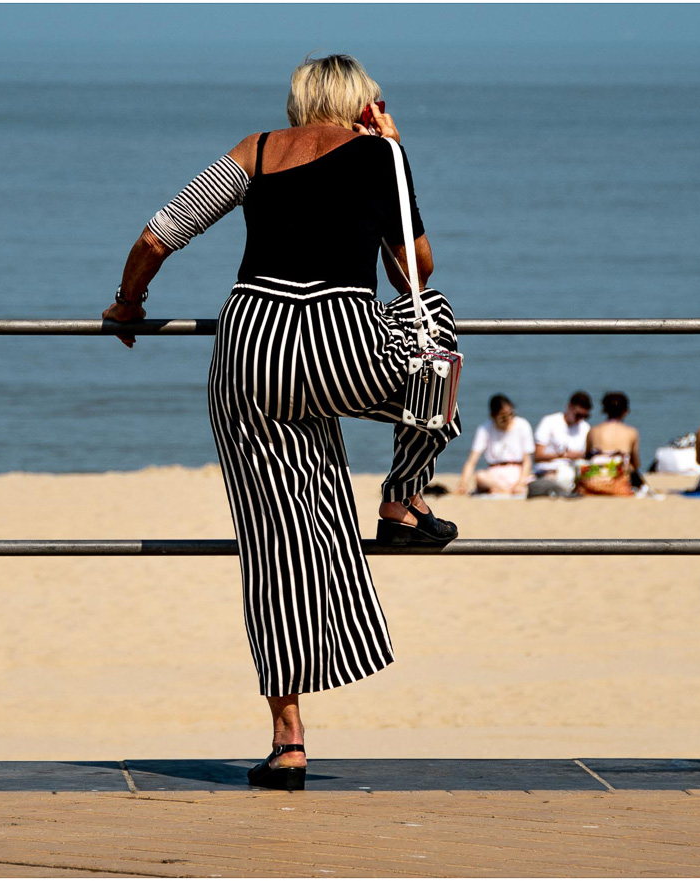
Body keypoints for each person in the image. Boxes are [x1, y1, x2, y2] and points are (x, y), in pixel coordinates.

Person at [103, 54, 459, 791]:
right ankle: (403, 494)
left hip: (254, 348)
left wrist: (129, 302)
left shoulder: (255, 151)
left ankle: (287, 738)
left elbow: (157, 234)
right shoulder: (379, 153)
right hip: (341, 342)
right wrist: (395, 153)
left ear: (300, 100)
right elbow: (413, 274)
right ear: (365, 104)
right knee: (437, 338)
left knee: (274, 546)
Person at [455, 394, 533, 496]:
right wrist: (463, 483)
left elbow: (527, 460)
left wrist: (521, 482)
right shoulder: (485, 429)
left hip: (517, 471)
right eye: (503, 417)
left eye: (511, 414)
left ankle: (502, 491)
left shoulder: (522, 425)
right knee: (480, 476)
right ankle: (504, 491)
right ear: (493, 416)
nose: (508, 419)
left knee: (534, 481)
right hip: (495, 473)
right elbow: (472, 461)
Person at [577, 391, 644, 496]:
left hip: (592, 483)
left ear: (604, 410)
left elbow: (587, 458)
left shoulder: (593, 431)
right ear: (625, 411)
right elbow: (636, 464)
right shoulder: (631, 432)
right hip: (617, 484)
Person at [527, 391, 592, 497]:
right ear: (569, 407)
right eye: (578, 415)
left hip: (574, 470)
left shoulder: (585, 428)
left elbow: (588, 455)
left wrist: (580, 456)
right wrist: (563, 455)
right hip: (549, 470)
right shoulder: (550, 422)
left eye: (585, 416)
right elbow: (538, 455)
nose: (580, 419)